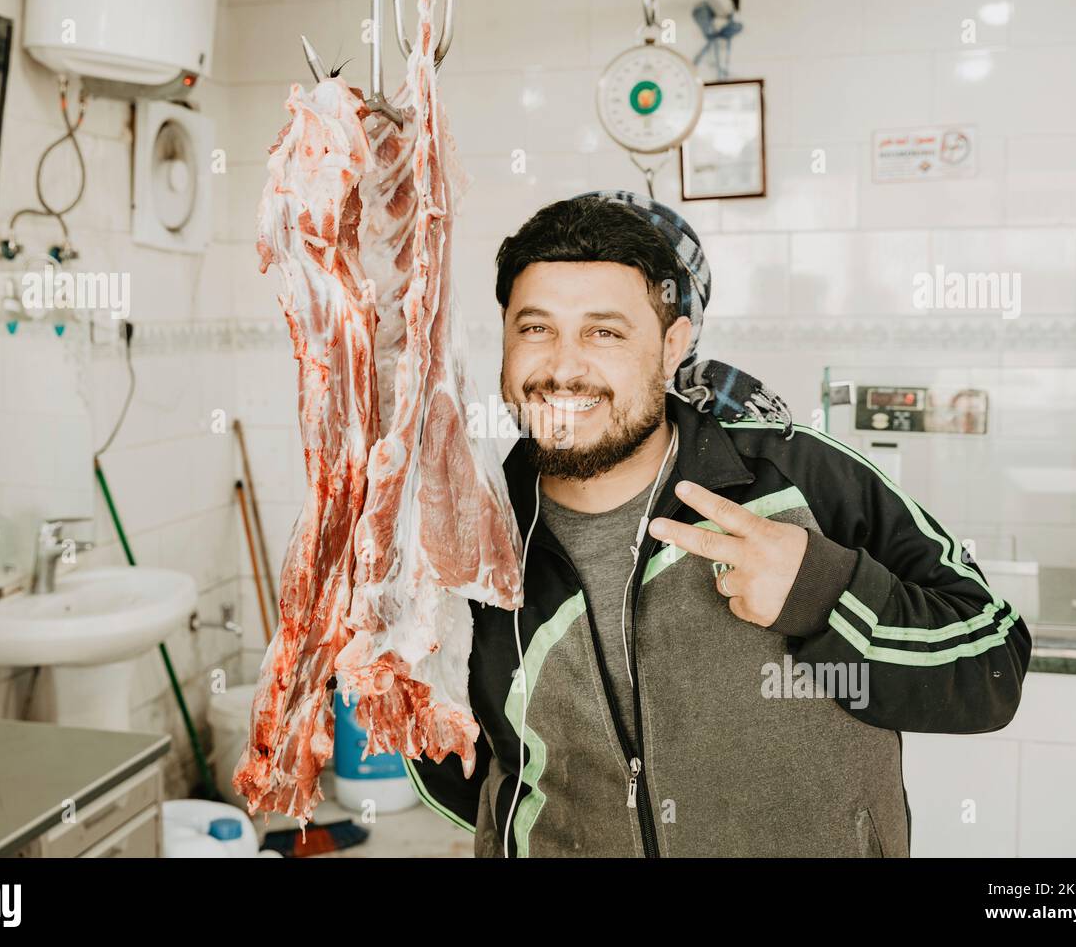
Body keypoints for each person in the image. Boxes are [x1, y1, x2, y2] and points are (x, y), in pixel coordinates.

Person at [405, 190, 1032, 858]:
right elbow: (462, 772)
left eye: (605, 331)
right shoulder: (468, 538)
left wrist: (823, 592)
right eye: (536, 329)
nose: (563, 366)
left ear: (673, 344)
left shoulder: (797, 475)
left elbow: (992, 667)